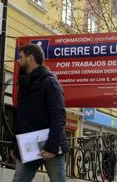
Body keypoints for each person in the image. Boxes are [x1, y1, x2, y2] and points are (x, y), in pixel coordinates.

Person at [12, 44, 69, 182]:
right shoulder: (24, 83)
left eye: (21, 57)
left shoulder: (50, 83)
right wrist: (15, 145)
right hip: (29, 145)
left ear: (31, 58)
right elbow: (21, 118)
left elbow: (59, 117)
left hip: (50, 145)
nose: (18, 61)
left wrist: (51, 147)